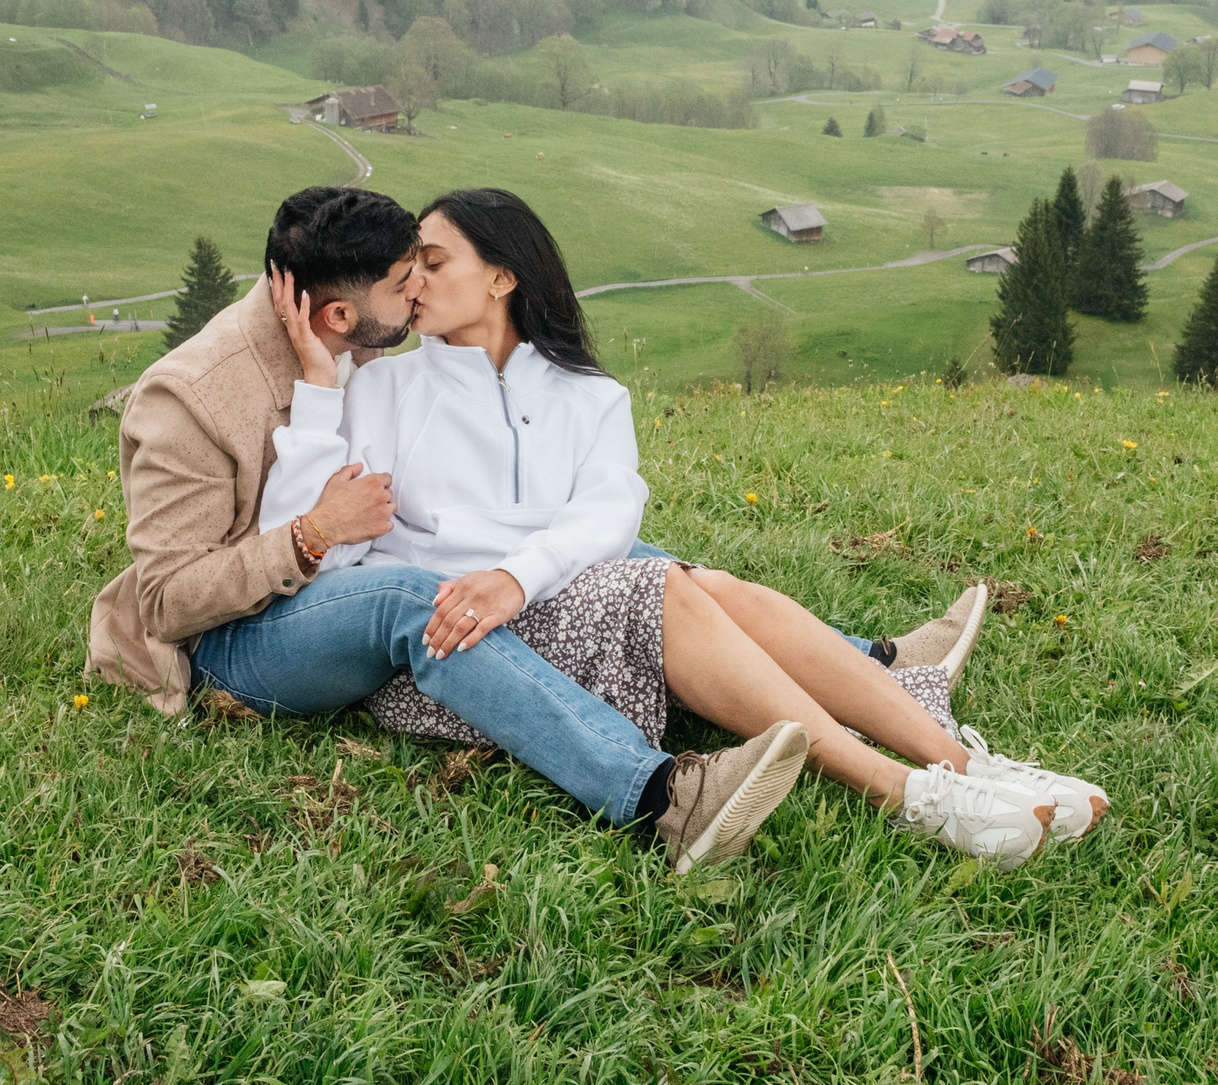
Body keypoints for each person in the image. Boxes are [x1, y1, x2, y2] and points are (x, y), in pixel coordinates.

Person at [259, 187, 1108, 865]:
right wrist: (320, 391)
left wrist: (517, 575)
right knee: (667, 585)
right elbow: (317, 549)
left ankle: (966, 764)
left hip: (541, 598)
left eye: (433, 261)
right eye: (409, 265)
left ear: (502, 277)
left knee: (708, 586)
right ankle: (907, 791)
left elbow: (611, 510)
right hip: (464, 642)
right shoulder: (382, 389)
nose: (411, 280)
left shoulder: (590, 396)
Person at [87, 185, 813, 873]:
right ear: (337, 315)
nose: (417, 292)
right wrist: (313, 532)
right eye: (405, 279)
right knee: (413, 598)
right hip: (232, 641)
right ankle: (660, 795)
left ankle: (859, 663)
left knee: (629, 558)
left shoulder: (357, 332)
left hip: (333, 590)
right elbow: (167, 603)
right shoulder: (190, 399)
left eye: (423, 268)